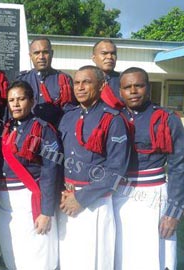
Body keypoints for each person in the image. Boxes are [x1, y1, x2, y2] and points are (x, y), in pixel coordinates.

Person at [114, 67, 184, 270]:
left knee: (154, 259)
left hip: (154, 197)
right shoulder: (112, 118)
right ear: (120, 91)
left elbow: (179, 166)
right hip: (117, 196)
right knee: (121, 257)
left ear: (148, 88)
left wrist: (173, 212)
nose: (133, 91)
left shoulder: (166, 118)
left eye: (138, 85)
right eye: (127, 87)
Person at [58, 65, 130, 270]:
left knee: (96, 261)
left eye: (87, 82)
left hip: (94, 202)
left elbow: (116, 169)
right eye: (77, 82)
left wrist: (81, 199)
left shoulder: (113, 119)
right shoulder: (68, 116)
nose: (80, 87)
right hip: (67, 199)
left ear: (101, 86)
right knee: (71, 260)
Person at [0, 80, 62, 269]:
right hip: (5, 203)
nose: (15, 104)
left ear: (31, 101)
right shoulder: (2, 129)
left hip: (31, 201)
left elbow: (50, 170)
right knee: (13, 253)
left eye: (21, 99)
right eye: (11, 100)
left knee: (38, 255)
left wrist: (46, 211)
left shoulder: (43, 129)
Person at [16, 37, 74, 126]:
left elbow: (71, 112)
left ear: (52, 53)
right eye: (36, 53)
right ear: (30, 56)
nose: (41, 57)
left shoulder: (64, 80)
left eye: (45, 52)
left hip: (56, 132)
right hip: (29, 134)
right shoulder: (22, 80)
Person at [92, 39, 124, 109]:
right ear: (94, 58)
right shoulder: (85, 81)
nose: (109, 57)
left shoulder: (124, 80)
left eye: (113, 54)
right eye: (104, 53)